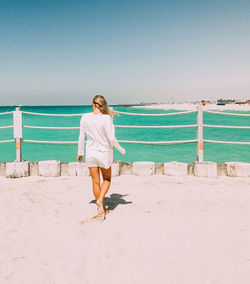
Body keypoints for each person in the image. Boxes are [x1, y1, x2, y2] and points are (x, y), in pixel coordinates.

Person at [77, 95, 126, 218]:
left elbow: (81, 137)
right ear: (103, 105)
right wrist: (121, 150)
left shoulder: (84, 117)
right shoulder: (106, 118)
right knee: (107, 179)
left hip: (90, 153)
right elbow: (111, 139)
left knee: (95, 182)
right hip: (104, 153)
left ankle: (101, 207)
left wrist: (80, 153)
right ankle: (100, 200)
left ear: (93, 104)